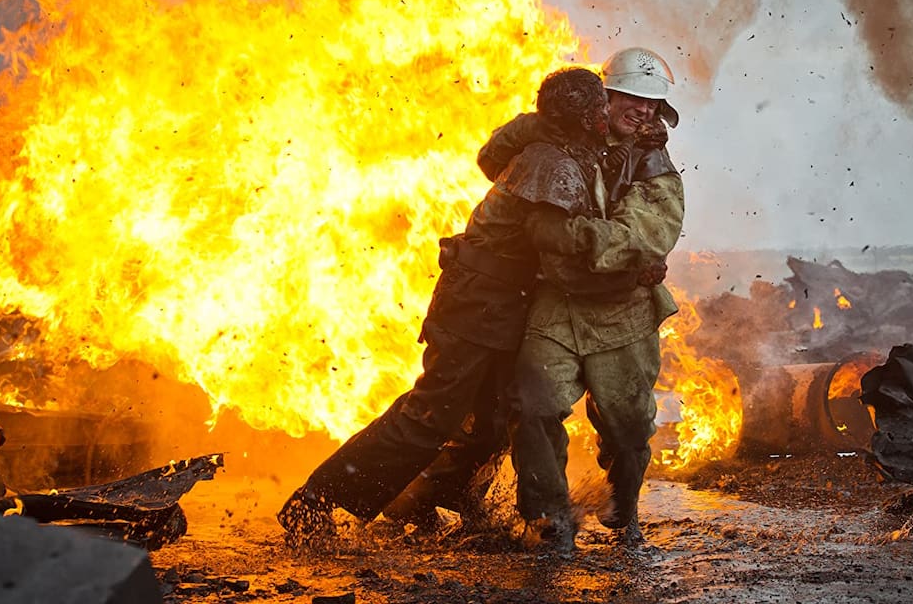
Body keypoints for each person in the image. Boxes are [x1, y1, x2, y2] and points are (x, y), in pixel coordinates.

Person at [277, 66, 662, 544]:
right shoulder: (551, 163)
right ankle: (318, 503)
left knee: (495, 419)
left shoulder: (559, 141)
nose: (609, 113)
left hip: (502, 301)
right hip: (477, 301)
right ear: (583, 118)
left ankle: (431, 503)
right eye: (600, 107)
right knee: (430, 414)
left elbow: (492, 156)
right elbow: (553, 236)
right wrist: (632, 263)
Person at [510, 47, 685, 554]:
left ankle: (623, 508)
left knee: (629, 429)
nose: (644, 111)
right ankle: (549, 519)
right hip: (557, 305)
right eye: (633, 97)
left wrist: (566, 235)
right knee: (531, 407)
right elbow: (500, 160)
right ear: (603, 97)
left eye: (653, 104)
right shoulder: (562, 138)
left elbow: (643, 238)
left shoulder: (655, 168)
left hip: (623, 313)